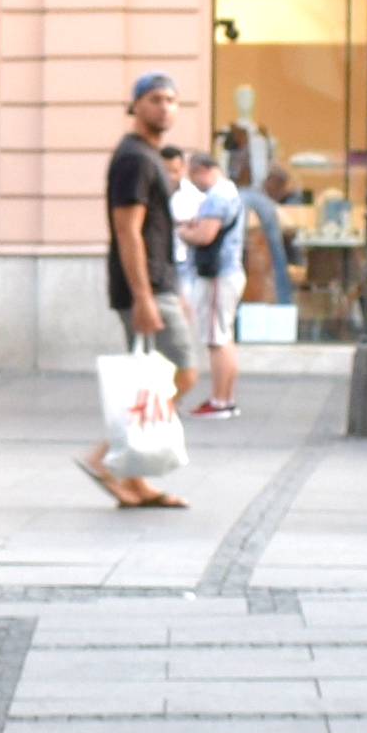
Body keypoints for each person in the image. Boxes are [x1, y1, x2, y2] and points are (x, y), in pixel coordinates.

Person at [81, 71, 200, 511]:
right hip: (144, 287)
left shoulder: (148, 156)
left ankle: (134, 477)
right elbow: (127, 232)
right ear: (135, 106)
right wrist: (145, 296)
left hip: (158, 282)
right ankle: (106, 459)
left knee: (152, 383)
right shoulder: (134, 158)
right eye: (155, 99)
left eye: (171, 99)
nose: (165, 107)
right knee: (182, 373)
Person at [173, 137, 253, 417]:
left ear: (201, 170)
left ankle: (220, 400)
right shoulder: (229, 192)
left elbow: (205, 236)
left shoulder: (217, 197)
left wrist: (183, 233)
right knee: (224, 336)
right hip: (227, 272)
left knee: (216, 339)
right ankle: (225, 398)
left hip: (217, 274)